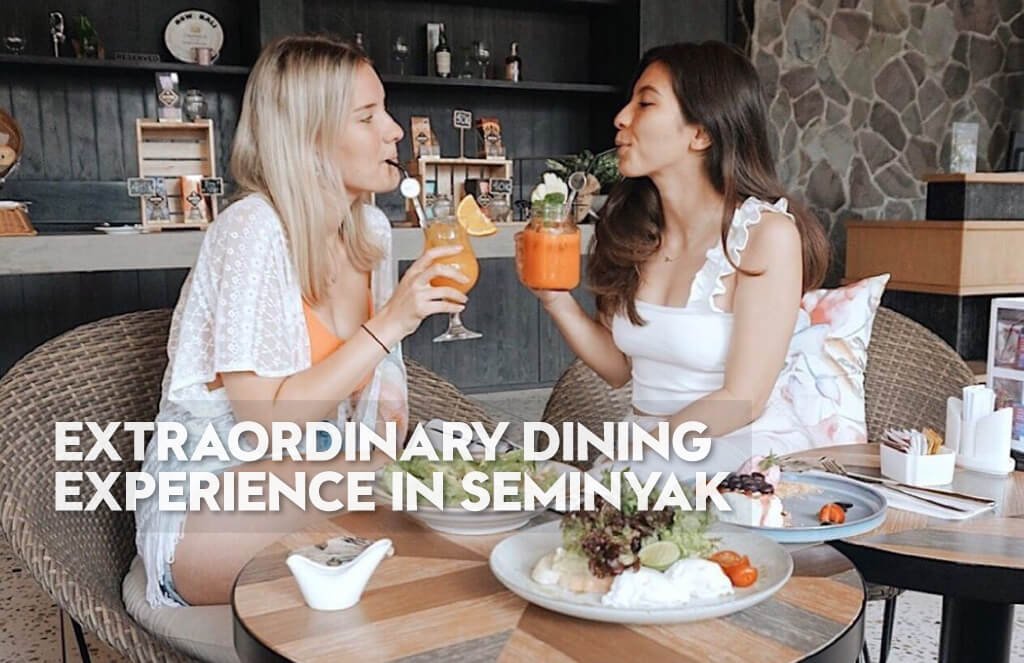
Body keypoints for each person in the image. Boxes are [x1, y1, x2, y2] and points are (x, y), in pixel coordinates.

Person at [134, 35, 470, 607]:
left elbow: (377, 417)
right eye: (367, 116)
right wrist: (391, 322)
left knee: (460, 503)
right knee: (434, 510)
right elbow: (267, 427)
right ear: (308, 137)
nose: (394, 131)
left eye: (385, 111)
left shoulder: (371, 234)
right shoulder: (252, 229)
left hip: (325, 475)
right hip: (214, 504)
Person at [520, 41, 831, 478]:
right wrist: (554, 298)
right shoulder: (633, 231)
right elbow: (620, 369)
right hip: (649, 447)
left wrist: (638, 451)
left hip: (732, 450)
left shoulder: (766, 236)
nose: (621, 117)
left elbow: (744, 399)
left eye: (645, 103)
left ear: (701, 133)